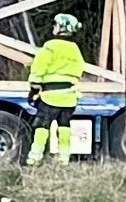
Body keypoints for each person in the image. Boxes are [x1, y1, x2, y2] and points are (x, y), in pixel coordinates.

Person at [24, 13, 86, 165]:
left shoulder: (50, 46)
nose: (53, 27)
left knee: (42, 126)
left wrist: (34, 88)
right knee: (64, 126)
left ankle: (35, 157)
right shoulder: (74, 49)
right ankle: (64, 158)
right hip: (69, 96)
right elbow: (80, 69)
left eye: (55, 24)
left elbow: (39, 67)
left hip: (50, 95)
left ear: (60, 28)